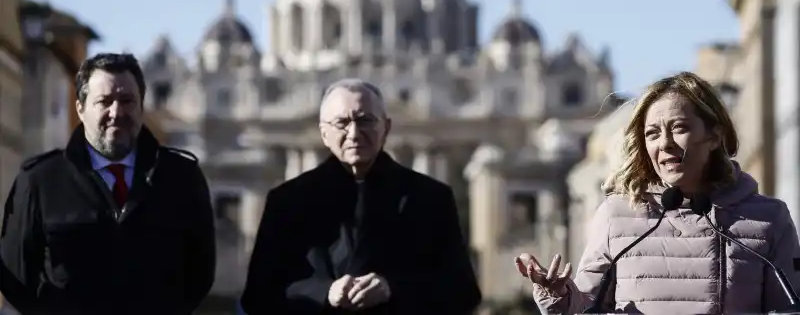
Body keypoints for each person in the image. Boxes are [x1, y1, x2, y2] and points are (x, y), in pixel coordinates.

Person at [516, 71, 800, 315]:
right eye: (652, 133)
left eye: (679, 128)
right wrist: (558, 294)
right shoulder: (616, 216)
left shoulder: (769, 219)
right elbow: (587, 306)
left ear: (714, 136)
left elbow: (789, 308)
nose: (665, 144)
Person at [240, 78, 482, 315]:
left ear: (385, 128)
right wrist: (325, 293)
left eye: (365, 121)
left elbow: (463, 293)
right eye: (342, 122)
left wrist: (392, 289)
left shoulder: (431, 198)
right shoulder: (287, 201)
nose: (354, 133)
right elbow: (258, 297)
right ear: (324, 133)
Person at [0, 53, 216, 315]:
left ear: (141, 107)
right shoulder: (39, 181)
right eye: (105, 102)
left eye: (127, 101)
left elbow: (200, 273)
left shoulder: (181, 178)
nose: (117, 113)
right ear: (80, 108)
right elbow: (15, 278)